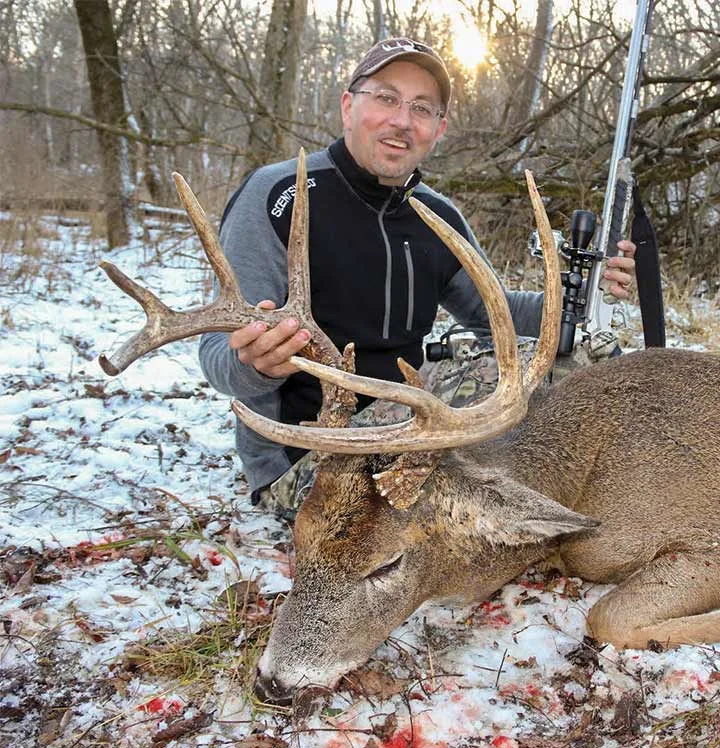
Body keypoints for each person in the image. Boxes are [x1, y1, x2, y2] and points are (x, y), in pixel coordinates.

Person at [199, 37, 636, 512]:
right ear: (349, 106)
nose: (402, 121)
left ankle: (624, 494)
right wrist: (257, 365)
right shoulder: (279, 194)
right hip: (310, 464)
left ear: (439, 128)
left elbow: (495, 315)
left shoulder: (435, 215)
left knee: (588, 353)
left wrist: (581, 292)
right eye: (385, 98)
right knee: (480, 378)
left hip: (417, 433)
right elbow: (218, 355)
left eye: (422, 108)